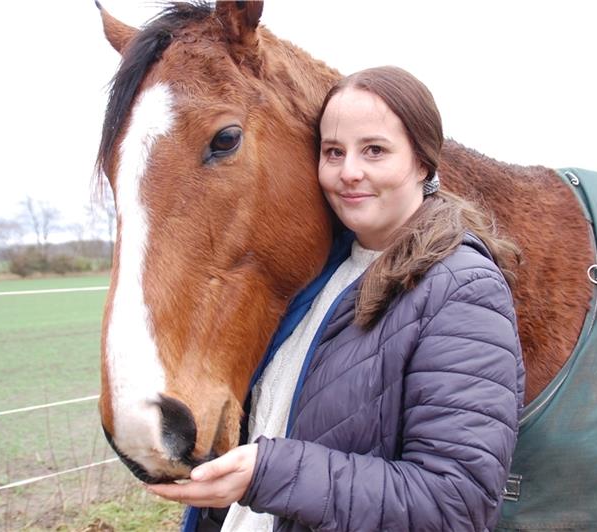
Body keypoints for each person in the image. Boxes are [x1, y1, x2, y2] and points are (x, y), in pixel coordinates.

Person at [148, 66, 525, 531]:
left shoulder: (463, 291)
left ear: (423, 162)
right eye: (333, 152)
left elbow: (455, 505)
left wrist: (268, 473)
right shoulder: (327, 270)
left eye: (375, 151)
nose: (349, 172)